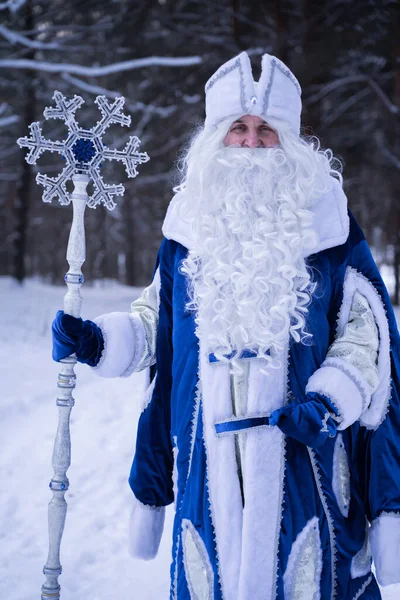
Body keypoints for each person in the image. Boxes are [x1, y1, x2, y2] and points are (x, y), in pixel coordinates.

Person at [52, 52, 400, 600]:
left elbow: (369, 333)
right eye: (239, 127)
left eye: (266, 129)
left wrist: (330, 401)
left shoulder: (331, 228)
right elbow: (156, 319)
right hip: (205, 462)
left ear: (289, 139)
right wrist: (99, 342)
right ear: (217, 136)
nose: (252, 141)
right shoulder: (188, 227)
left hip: (306, 456)